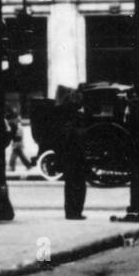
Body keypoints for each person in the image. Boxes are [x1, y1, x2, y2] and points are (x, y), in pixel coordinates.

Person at [55, 88, 88, 220]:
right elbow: (71, 135)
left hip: (69, 155)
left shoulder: (64, 115)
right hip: (74, 155)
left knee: (71, 185)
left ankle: (72, 212)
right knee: (78, 184)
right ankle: (74, 212)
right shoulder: (74, 117)